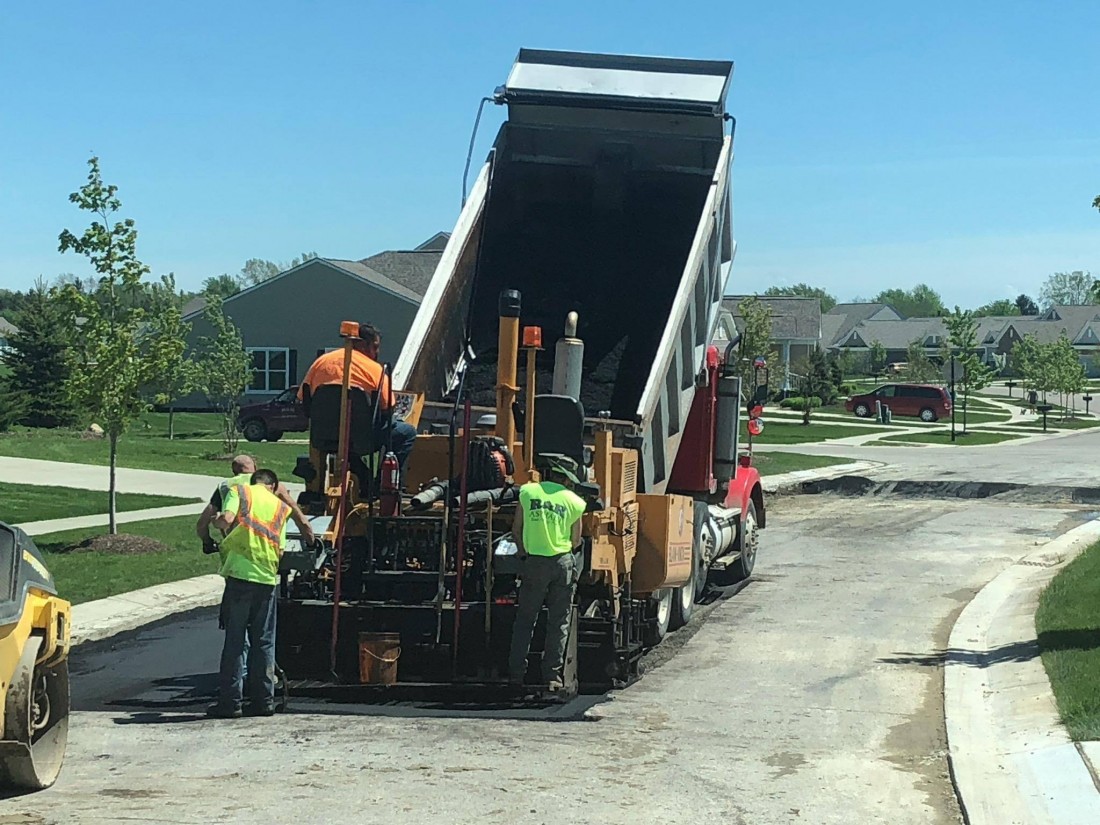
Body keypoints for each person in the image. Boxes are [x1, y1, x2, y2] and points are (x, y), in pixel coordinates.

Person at [208, 468, 292, 719]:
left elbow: (225, 519)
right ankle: (264, 702)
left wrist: (216, 522)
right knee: (264, 642)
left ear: (255, 482)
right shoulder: (280, 508)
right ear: (273, 486)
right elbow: (281, 551)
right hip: (266, 579)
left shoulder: (240, 492)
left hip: (240, 577)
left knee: (235, 642)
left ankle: (231, 703)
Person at [297, 322, 416, 484]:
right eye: (375, 346)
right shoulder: (374, 370)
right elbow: (387, 408)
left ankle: (361, 481)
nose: (377, 352)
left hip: (322, 435)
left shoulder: (320, 363)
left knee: (347, 443)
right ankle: (385, 485)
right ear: (362, 344)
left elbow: (303, 399)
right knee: (405, 432)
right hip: (363, 437)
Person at [507, 454, 588, 692]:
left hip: (534, 563)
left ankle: (516, 674)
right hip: (562, 563)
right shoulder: (575, 501)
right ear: (566, 478)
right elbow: (575, 540)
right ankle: (552, 677)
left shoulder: (528, 493)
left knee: (525, 620)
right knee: (559, 622)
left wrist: (524, 554)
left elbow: (516, 530)